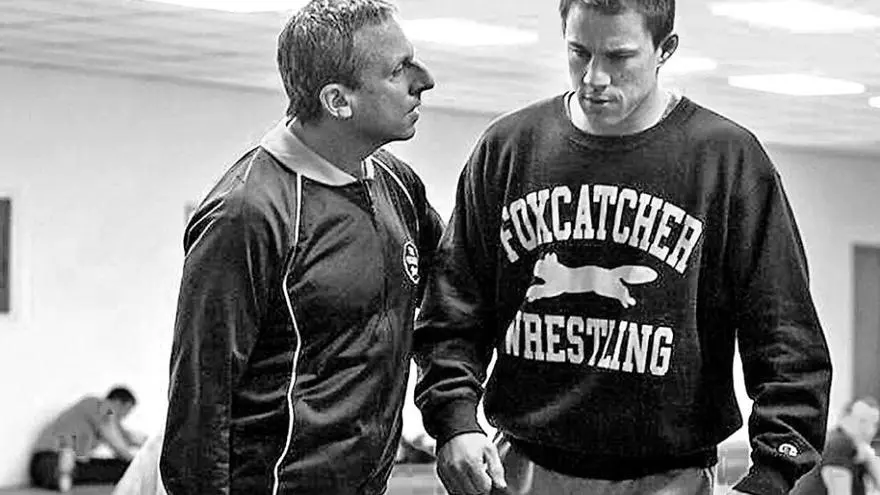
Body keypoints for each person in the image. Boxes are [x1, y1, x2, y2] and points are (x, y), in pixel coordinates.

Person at [412, 0, 833, 494]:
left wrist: (772, 472)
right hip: (524, 464)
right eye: (579, 52)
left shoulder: (726, 159)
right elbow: (453, 310)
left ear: (665, 50)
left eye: (618, 57)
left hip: (671, 475)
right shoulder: (509, 147)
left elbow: (785, 333)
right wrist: (455, 420)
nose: (594, 77)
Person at [158, 0, 442, 494]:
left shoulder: (397, 184)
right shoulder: (247, 213)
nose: (425, 80)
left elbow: (457, 295)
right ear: (338, 101)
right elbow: (201, 403)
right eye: (399, 70)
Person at [31, 386, 143, 492]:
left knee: (119, 468)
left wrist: (149, 446)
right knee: (125, 468)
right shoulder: (101, 406)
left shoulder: (103, 416)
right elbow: (115, 441)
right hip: (49, 461)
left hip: (52, 467)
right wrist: (136, 463)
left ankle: (64, 478)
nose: (125, 415)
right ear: (118, 403)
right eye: (127, 410)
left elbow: (128, 437)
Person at [791, 397, 880, 495]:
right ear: (844, 419)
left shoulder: (858, 450)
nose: (869, 430)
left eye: (874, 424)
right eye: (862, 421)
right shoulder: (839, 444)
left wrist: (870, 457)